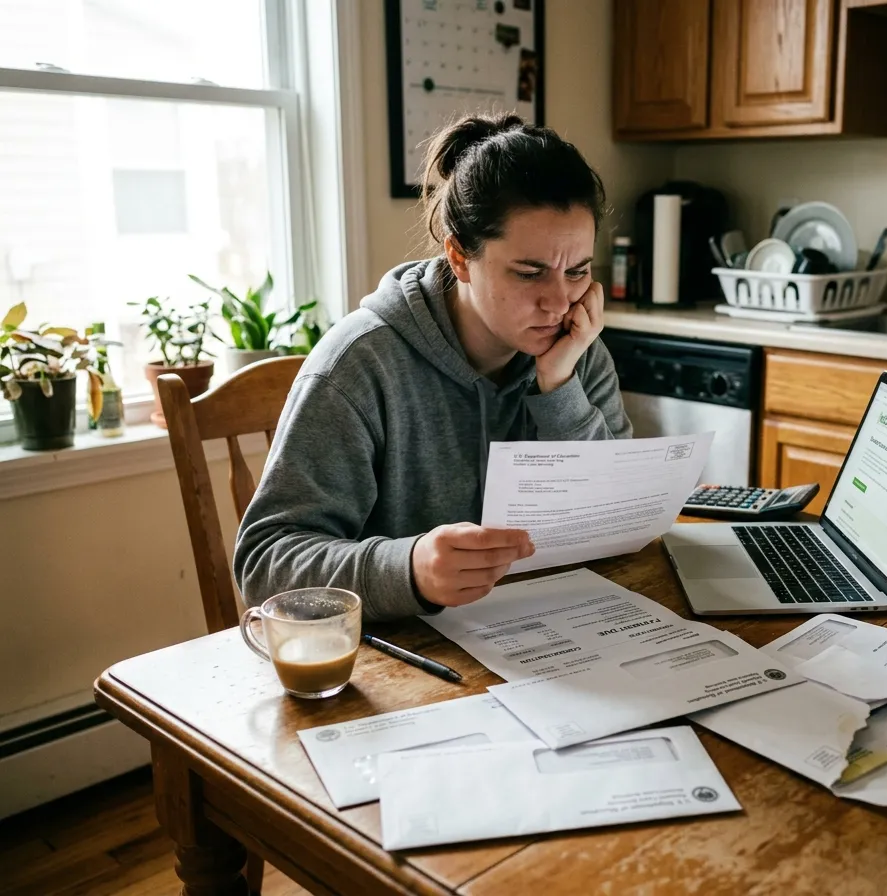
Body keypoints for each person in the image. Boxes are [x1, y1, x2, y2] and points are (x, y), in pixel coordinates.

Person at [233, 113, 632, 621]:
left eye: (577, 271)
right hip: (402, 657)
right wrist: (409, 568)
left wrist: (560, 388)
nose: (558, 302)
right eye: (529, 272)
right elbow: (265, 563)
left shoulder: (577, 346)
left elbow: (621, 521)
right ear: (460, 257)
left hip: (553, 634)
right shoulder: (358, 365)